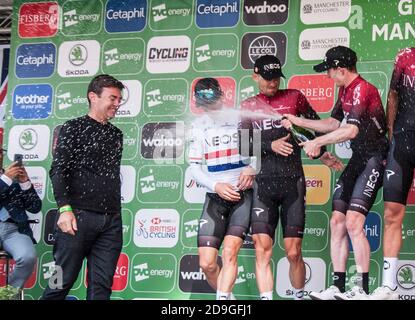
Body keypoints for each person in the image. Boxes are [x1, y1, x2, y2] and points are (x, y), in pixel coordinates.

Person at [283, 46, 388, 300]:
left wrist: (317, 143)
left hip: (374, 160)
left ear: (341, 69)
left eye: (329, 71)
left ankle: (362, 289)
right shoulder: (345, 90)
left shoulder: (364, 89)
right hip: (358, 160)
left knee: (353, 222)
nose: (327, 76)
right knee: (336, 221)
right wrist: (299, 121)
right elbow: (332, 123)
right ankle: (337, 287)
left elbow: (350, 131)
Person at [239, 55, 343, 300]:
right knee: (262, 250)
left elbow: (312, 129)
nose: (273, 83)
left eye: (276, 77)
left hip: (292, 183)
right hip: (263, 185)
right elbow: (243, 145)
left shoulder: (295, 97)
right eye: (267, 78)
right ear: (255, 76)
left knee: (293, 252)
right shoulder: (248, 105)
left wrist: (324, 154)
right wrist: (269, 144)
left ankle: (298, 296)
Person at [41, 74, 125, 300]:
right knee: (59, 283)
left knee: (101, 289)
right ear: (93, 97)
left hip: (111, 222)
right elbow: (58, 170)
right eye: (113, 98)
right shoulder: (72, 128)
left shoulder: (116, 135)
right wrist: (65, 209)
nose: (117, 104)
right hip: (76, 218)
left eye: (119, 99)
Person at [188, 78, 255, 300]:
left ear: (221, 96)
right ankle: (229, 299)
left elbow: (256, 156)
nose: (210, 108)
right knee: (206, 263)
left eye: (212, 102)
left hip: (241, 194)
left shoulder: (239, 118)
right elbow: (195, 169)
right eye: (204, 104)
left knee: (229, 253)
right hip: (215, 196)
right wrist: (216, 185)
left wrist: (251, 170)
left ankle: (222, 301)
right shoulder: (198, 126)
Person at [370, 48, 415, 300]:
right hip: (402, 141)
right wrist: (390, 135)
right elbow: (393, 96)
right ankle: (389, 287)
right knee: (391, 213)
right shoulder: (406, 56)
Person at [0, 152, 41, 289]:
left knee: (27, 257)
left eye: (0, 152)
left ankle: (8, 295)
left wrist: (25, 183)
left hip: (14, 231)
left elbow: (35, 207)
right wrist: (5, 180)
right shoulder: (7, 178)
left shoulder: (13, 178)